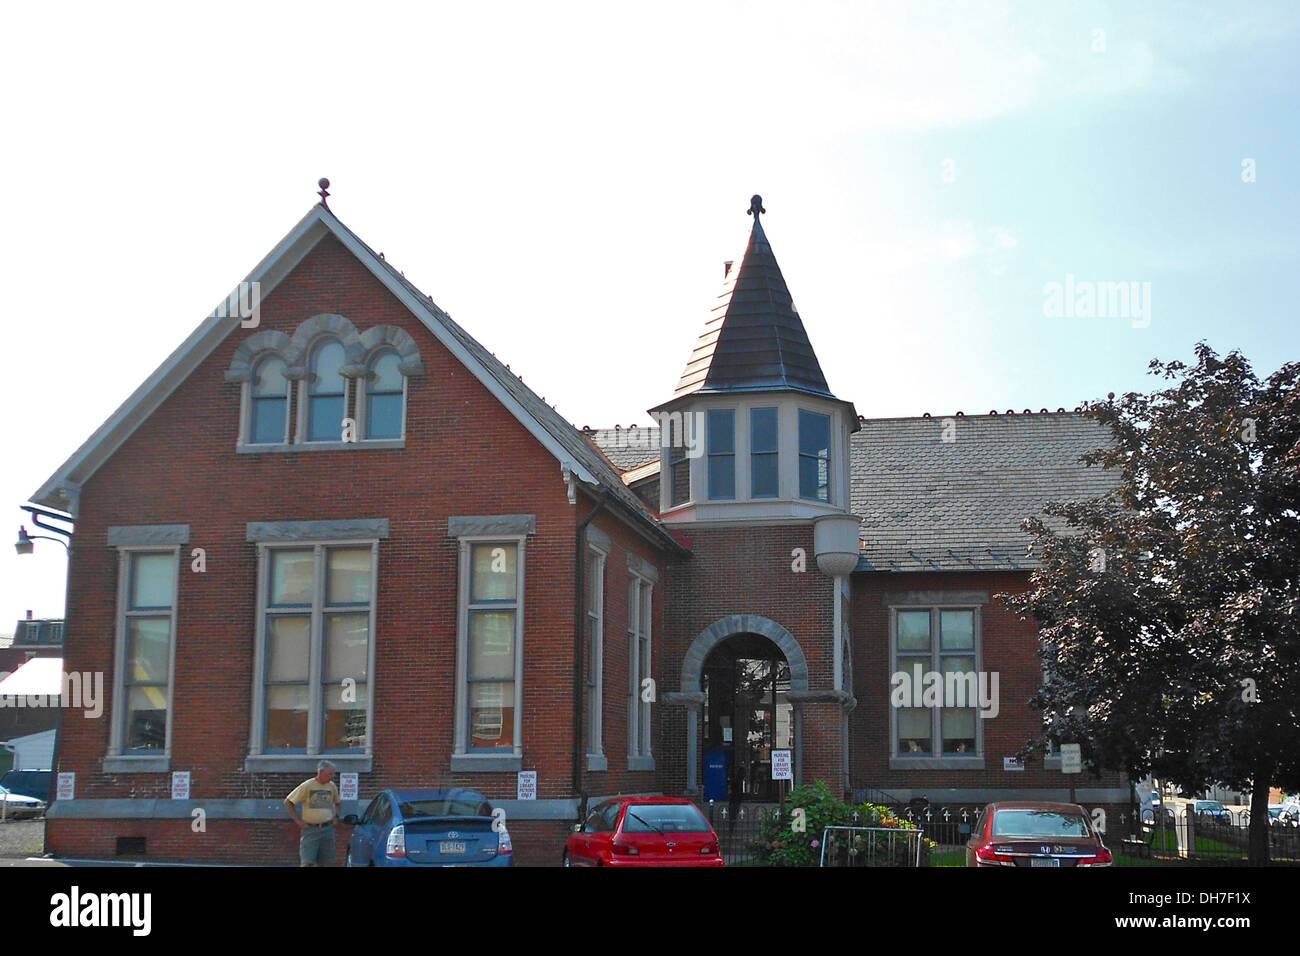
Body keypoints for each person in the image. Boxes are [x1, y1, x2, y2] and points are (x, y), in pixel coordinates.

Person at [284, 759, 342, 867]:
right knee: (307, 861)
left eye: (332, 774)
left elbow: (337, 802)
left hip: (327, 828)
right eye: (329, 774)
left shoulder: (332, 786)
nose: (331, 776)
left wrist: (336, 816)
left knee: (327, 861)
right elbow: (288, 802)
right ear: (321, 772)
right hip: (311, 829)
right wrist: (298, 820)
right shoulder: (307, 785)